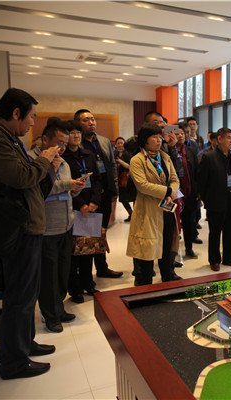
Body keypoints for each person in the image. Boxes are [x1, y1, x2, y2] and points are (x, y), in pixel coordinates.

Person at [0, 88, 59, 380]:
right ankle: (14, 362)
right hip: (18, 229)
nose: (32, 123)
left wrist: (50, 167)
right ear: (15, 113)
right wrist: (44, 160)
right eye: (31, 116)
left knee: (28, 294)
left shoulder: (10, 139)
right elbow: (21, 177)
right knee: (18, 297)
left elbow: (33, 185)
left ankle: (25, 343)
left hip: (29, 227)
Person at [28, 118, 85, 333]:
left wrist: (76, 187)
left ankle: (59, 308)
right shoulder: (34, 160)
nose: (62, 148)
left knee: (62, 272)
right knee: (48, 276)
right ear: (45, 139)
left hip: (65, 225)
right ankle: (50, 315)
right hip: (46, 228)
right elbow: (39, 189)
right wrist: (68, 184)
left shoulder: (64, 162)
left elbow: (67, 192)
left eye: (65, 144)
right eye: (59, 143)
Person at [127, 123, 182, 285]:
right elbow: (142, 185)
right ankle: (146, 285)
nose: (159, 141)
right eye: (154, 137)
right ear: (145, 140)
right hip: (148, 210)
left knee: (167, 246)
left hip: (167, 208)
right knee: (148, 249)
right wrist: (167, 192)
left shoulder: (164, 157)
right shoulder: (137, 160)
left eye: (160, 137)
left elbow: (174, 179)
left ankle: (167, 279)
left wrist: (172, 191)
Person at [74, 109, 122, 279]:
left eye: (93, 119)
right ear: (77, 123)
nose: (91, 122)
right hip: (86, 196)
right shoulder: (76, 143)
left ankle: (102, 267)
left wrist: (114, 190)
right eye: (86, 120)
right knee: (86, 234)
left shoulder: (103, 141)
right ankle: (83, 273)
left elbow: (111, 166)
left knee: (101, 231)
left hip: (105, 192)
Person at [62, 120, 103, 303]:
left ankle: (88, 283)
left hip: (91, 207)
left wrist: (94, 202)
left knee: (88, 248)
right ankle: (75, 289)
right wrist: (81, 205)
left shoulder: (88, 154)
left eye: (78, 132)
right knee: (73, 251)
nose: (76, 136)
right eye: (72, 133)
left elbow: (97, 180)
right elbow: (66, 185)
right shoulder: (63, 158)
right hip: (73, 207)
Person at [198, 128, 231, 271]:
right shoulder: (209, 157)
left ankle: (228, 258)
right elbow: (202, 181)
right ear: (219, 139)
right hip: (215, 200)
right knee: (215, 232)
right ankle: (214, 260)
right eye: (228, 137)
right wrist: (206, 199)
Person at [176, 124, 199, 259]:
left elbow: (196, 171)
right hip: (174, 194)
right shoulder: (168, 152)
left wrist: (197, 191)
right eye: (177, 133)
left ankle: (189, 248)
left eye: (182, 133)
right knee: (173, 224)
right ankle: (172, 251)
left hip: (189, 193)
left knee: (189, 222)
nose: (180, 136)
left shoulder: (190, 151)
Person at [114, 136, 136, 222]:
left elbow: (130, 166)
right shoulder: (115, 153)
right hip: (121, 178)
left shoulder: (127, 153)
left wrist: (120, 161)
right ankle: (131, 214)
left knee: (134, 197)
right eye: (118, 143)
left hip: (129, 178)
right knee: (123, 198)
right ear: (115, 144)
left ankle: (135, 216)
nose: (120, 145)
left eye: (121, 143)